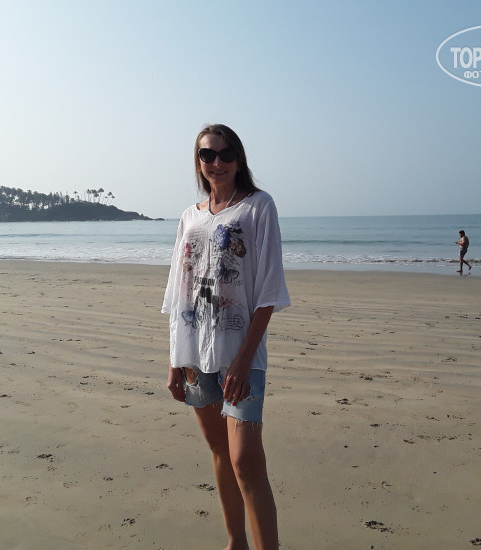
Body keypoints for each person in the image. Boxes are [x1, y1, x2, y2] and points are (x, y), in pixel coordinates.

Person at [162, 124, 290, 550]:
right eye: (207, 155)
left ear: (238, 158)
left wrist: (244, 359)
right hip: (194, 354)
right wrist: (175, 361)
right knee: (219, 452)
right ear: (198, 161)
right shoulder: (189, 216)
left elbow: (269, 291)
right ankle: (236, 542)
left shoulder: (258, 207)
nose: (216, 162)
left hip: (241, 355)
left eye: (225, 154)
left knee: (245, 460)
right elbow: (179, 292)